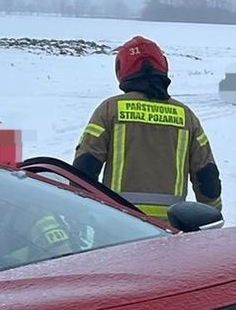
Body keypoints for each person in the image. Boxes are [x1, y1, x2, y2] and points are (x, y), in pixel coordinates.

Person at [73, 36, 223, 218]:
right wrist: (212, 216)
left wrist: (79, 215)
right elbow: (207, 177)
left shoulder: (109, 110)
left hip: (117, 223)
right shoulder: (185, 116)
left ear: (122, 70)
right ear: (163, 66)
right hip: (170, 229)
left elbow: (84, 167)